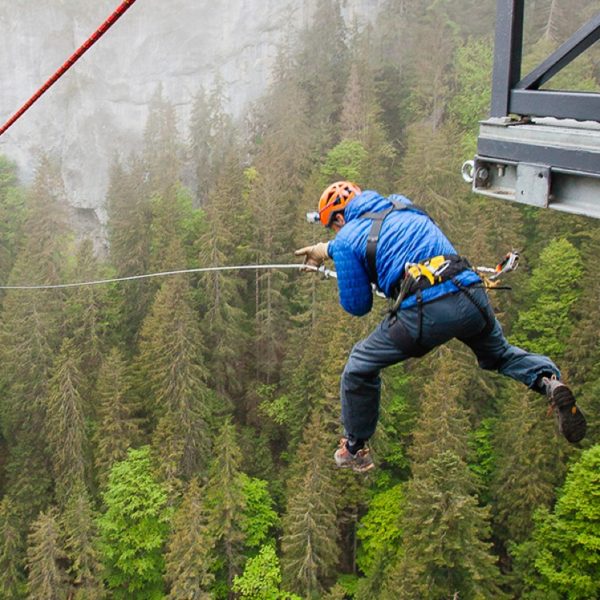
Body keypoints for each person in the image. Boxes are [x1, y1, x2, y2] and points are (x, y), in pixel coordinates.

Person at [295, 181, 587, 473]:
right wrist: (330, 250)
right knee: (499, 354)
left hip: (424, 310)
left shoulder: (346, 238)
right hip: (469, 291)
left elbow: (358, 305)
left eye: (333, 227)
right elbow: (381, 235)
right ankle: (548, 381)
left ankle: (356, 448)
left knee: (359, 365)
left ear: (340, 219)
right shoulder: (401, 203)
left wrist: (340, 253)